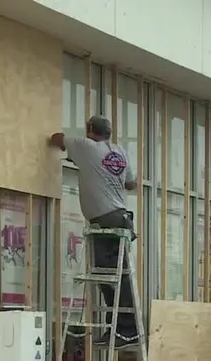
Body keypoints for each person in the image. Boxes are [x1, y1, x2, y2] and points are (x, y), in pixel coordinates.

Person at [50, 116, 138, 349]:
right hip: (118, 217)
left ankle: (127, 331)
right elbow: (131, 184)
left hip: (107, 220)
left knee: (114, 279)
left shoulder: (86, 146)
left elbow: (57, 139)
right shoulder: (119, 151)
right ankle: (118, 329)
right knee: (109, 278)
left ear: (89, 130)